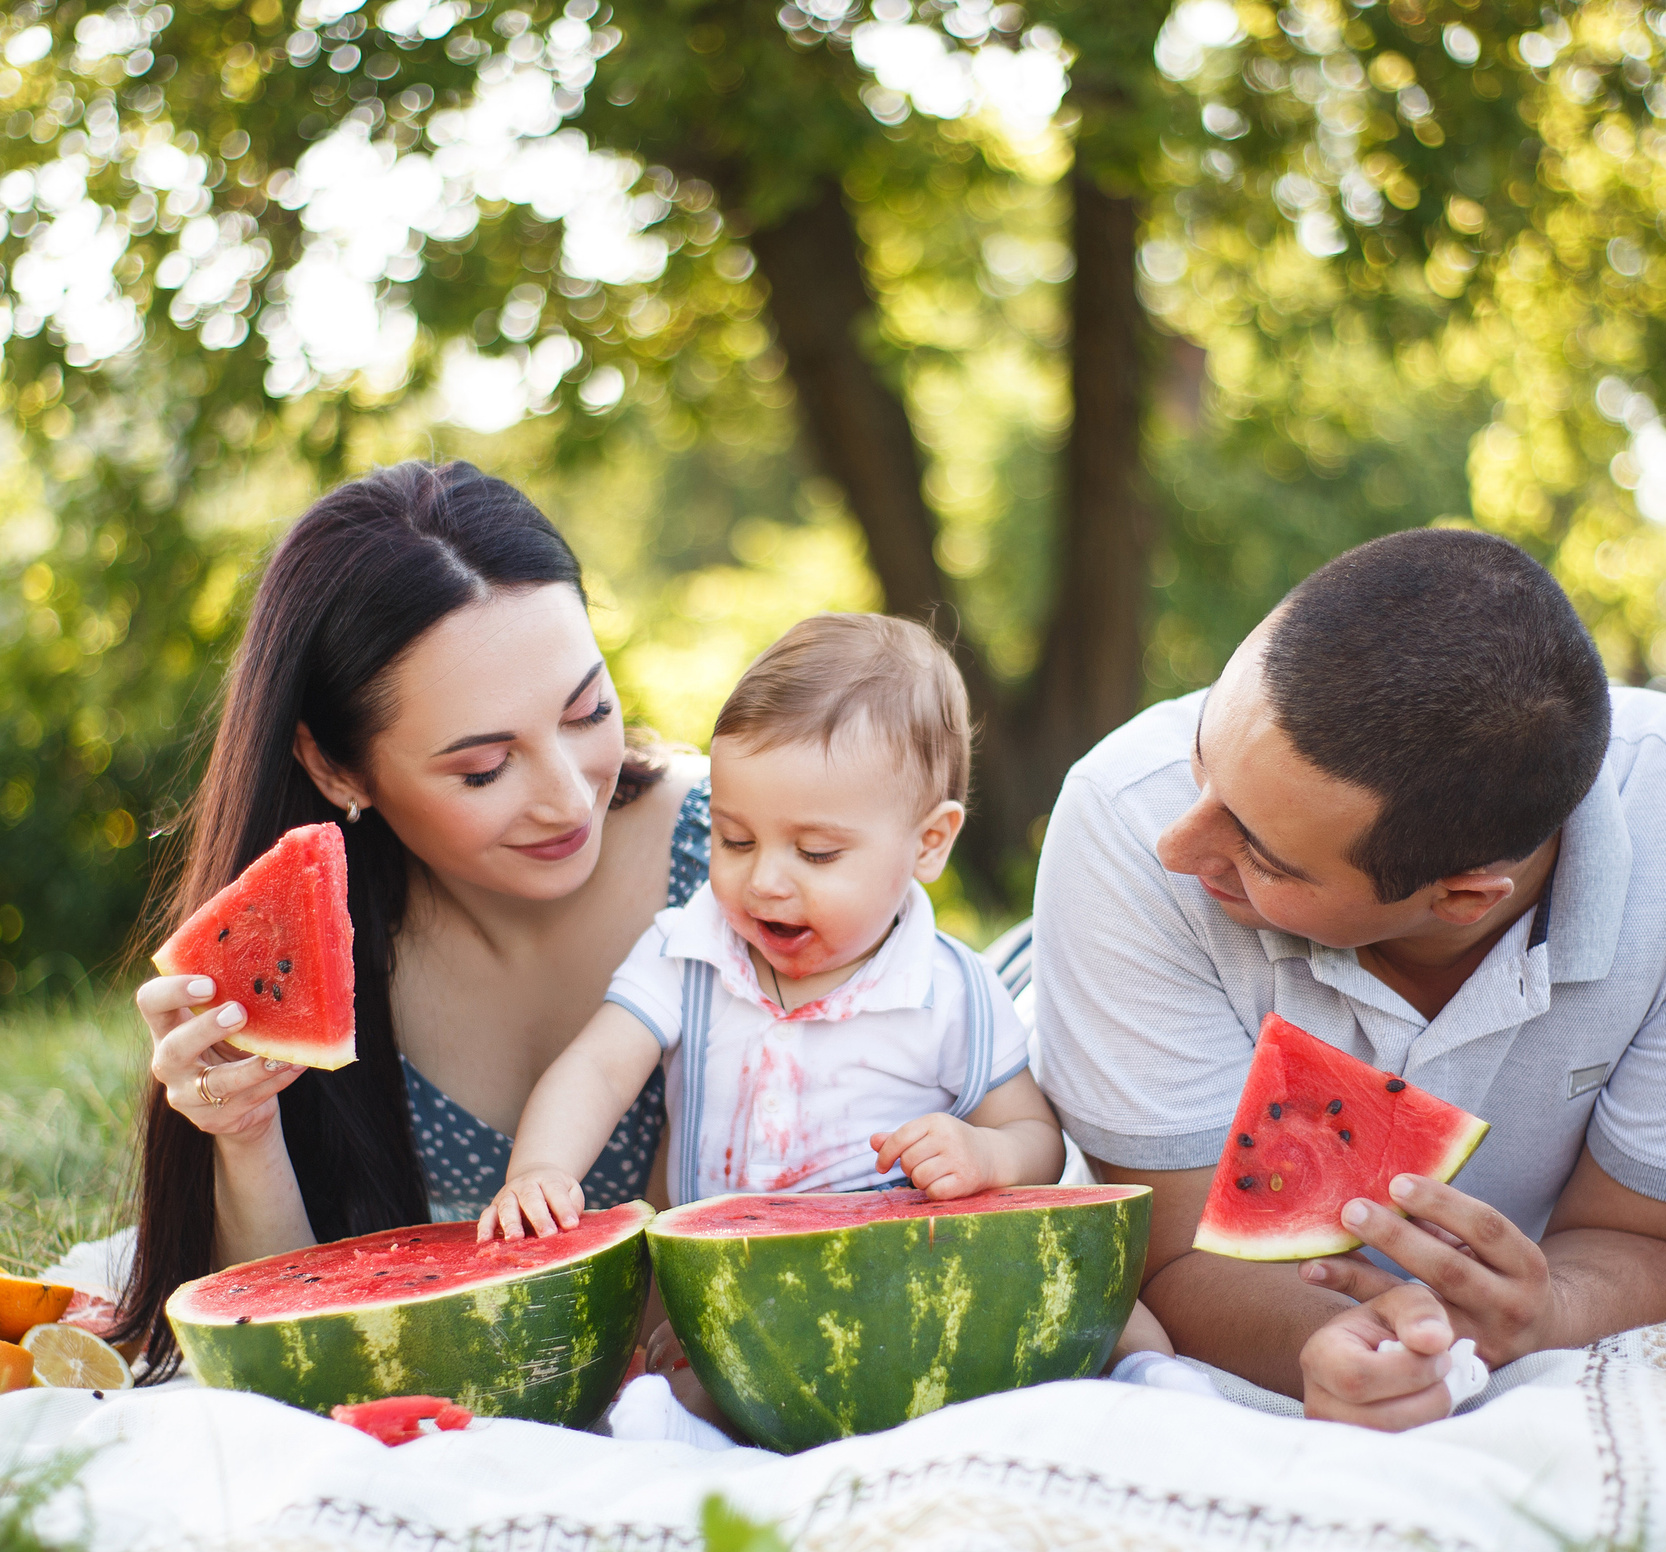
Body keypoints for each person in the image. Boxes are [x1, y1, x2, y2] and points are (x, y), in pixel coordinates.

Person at [1032, 528, 1666, 1430]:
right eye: (1205, 755)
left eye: (1261, 855)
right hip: (1059, 1005)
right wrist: (1332, 1344)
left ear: (1464, 897)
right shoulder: (1122, 816)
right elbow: (1173, 1258)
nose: (1179, 845)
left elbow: (1655, 1235)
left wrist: (1550, 1312)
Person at [123, 461, 710, 1375]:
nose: (567, 799)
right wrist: (245, 1131)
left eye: (589, 710)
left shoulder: (740, 855)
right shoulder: (317, 941)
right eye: (483, 769)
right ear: (337, 769)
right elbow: (285, 1322)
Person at [480, 613, 1069, 1240]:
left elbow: (1037, 1138)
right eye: (735, 840)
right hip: (715, 1286)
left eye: (815, 853)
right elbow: (597, 1069)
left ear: (928, 843)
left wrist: (986, 1155)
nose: (764, 881)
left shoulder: (951, 989)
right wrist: (541, 1168)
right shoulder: (688, 952)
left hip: (892, 1290)